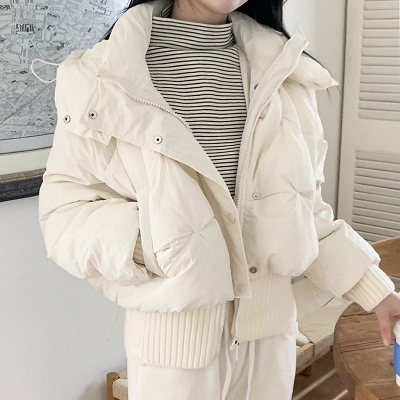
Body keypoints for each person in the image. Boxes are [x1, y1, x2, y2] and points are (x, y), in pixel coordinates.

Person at [37, 0, 400, 399]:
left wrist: (376, 290)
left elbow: (305, 211)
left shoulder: (284, 71)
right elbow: (65, 211)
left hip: (270, 344)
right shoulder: (103, 76)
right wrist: (156, 246)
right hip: (173, 350)